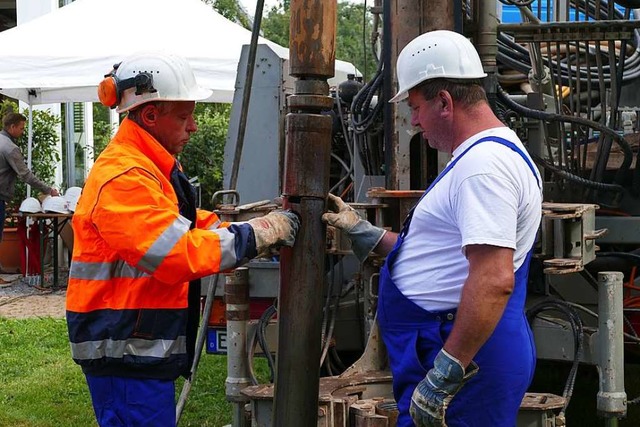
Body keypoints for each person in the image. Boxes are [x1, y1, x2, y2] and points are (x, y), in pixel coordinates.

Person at [65, 52, 300, 427]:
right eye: (184, 115)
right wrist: (257, 234)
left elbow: (188, 225)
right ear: (150, 115)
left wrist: (252, 230)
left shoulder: (150, 165)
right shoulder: (123, 177)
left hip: (135, 342)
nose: (192, 126)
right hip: (123, 349)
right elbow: (175, 253)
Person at [323, 30, 542, 427]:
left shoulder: (483, 169)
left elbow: (493, 279)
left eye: (416, 106)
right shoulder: (482, 157)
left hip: (460, 360)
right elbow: (446, 257)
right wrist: (367, 234)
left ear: (444, 101)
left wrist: (445, 373)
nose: (413, 120)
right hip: (453, 349)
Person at [0, 112, 59, 240]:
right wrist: (48, 190)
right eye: (21, 128)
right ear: (12, 127)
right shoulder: (10, 148)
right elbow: (25, 175)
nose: (22, 131)